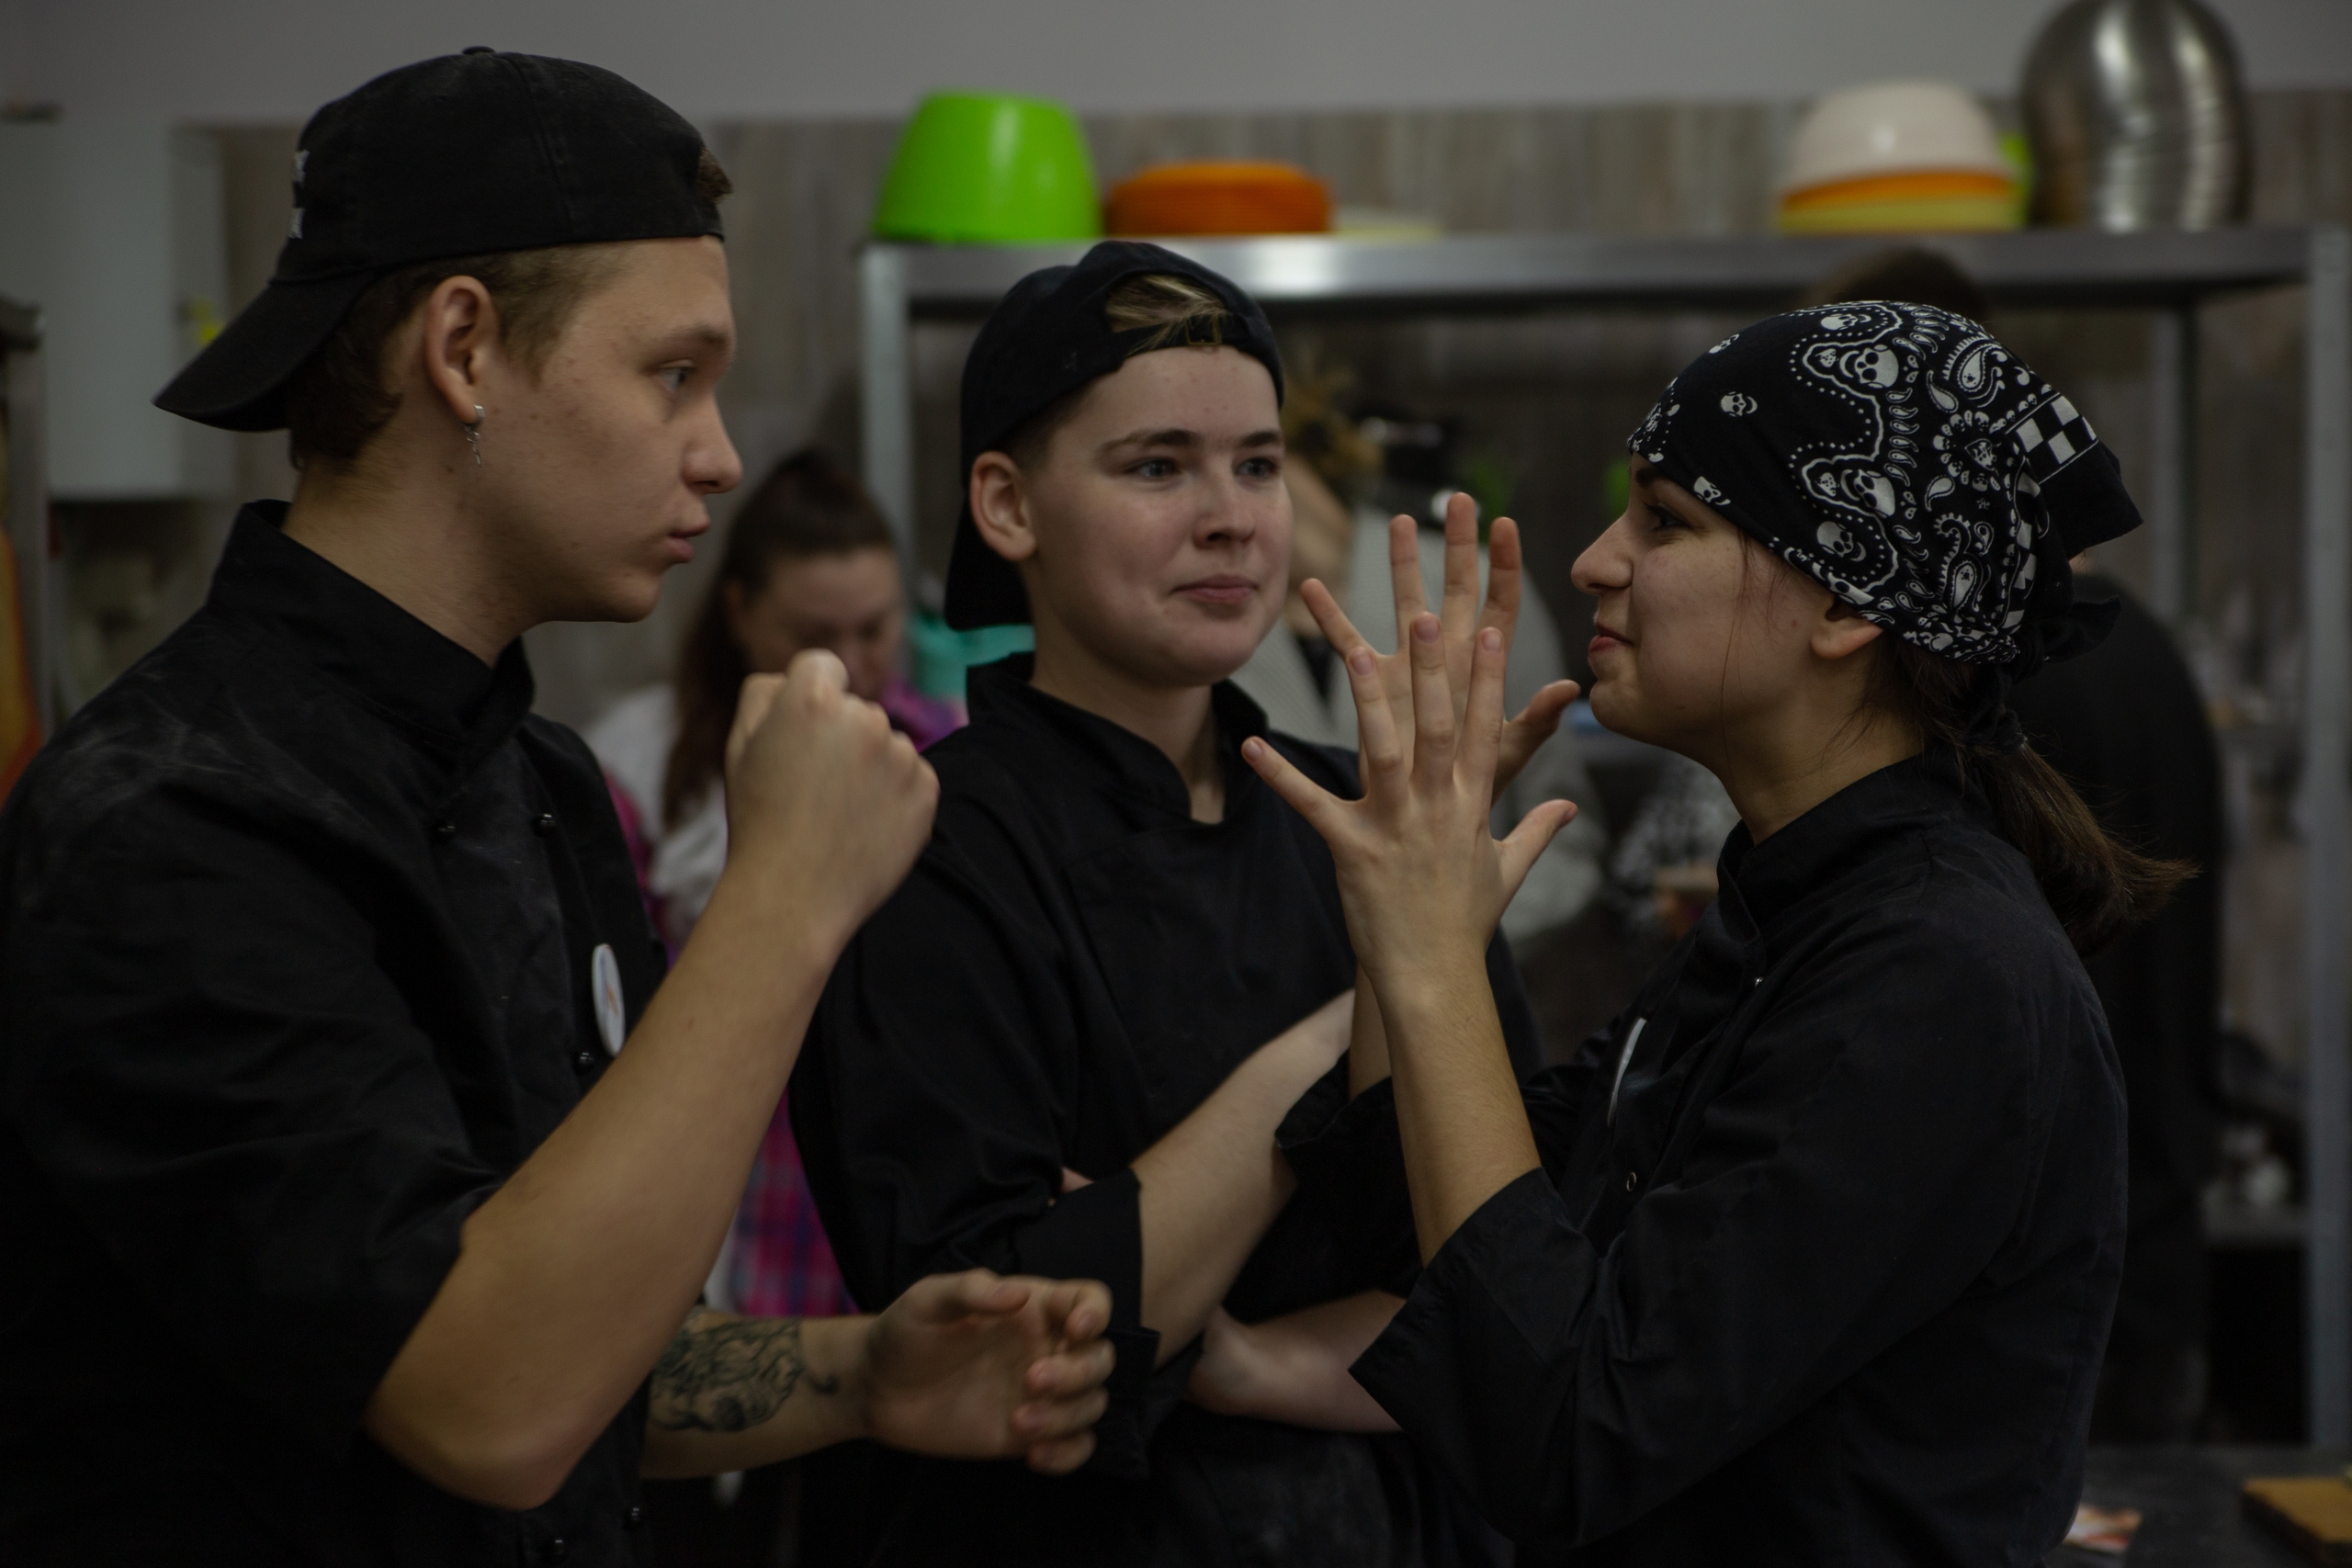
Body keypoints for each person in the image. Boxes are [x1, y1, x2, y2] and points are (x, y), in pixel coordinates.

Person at [0, 52, 1114, 1564]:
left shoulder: (541, 782)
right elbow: (488, 1395)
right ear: (464, 348)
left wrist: (860, 1374)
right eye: (674, 374)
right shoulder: (170, 819)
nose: (720, 450)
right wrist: (786, 894)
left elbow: (592, 1335)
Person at [1243, 302, 2180, 1562]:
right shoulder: (1780, 917)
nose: (1596, 560)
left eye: (1666, 520)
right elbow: (1411, 1231)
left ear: (1845, 603)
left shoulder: (1936, 974)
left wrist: (1434, 956)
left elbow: (1564, 1434)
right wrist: (1403, 894)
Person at [789, 240, 1576, 1565]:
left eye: (1258, 464)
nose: (1232, 518)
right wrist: (1375, 998)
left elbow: (1506, 1292)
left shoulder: (1376, 815)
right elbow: (1002, 1335)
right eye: (1158, 466)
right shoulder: (923, 845)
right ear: (1007, 504)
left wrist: (1190, 1284)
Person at [1233, 396, 1608, 949]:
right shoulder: (1205, 623)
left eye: (1256, 463)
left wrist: (1441, 935)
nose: (1228, 499)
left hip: (1476, 966)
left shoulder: (1472, 589)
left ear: (1309, 451)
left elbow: (1567, 844)